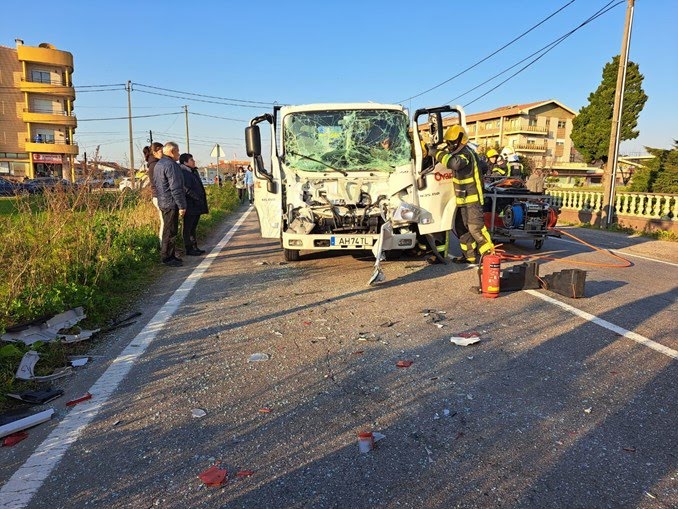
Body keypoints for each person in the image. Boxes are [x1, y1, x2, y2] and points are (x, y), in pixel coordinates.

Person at [428, 125, 494, 265]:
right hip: (463, 199)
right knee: (461, 228)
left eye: (451, 142)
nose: (450, 145)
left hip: (473, 200)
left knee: (475, 229)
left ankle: (490, 257)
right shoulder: (462, 153)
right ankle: (469, 256)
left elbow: (455, 164)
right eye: (448, 142)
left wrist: (436, 153)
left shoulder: (465, 153)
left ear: (460, 140)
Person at [152, 142, 187, 267]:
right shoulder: (171, 165)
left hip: (162, 200)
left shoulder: (159, 164)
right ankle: (167, 257)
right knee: (170, 231)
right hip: (171, 202)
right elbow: (175, 187)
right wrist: (182, 206)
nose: (178, 154)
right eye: (177, 151)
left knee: (169, 230)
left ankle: (170, 255)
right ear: (172, 152)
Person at [179, 153, 209, 256]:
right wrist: (196, 197)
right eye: (191, 160)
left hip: (196, 204)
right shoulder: (184, 173)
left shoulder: (193, 171)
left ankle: (194, 246)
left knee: (193, 227)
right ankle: (189, 248)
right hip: (190, 203)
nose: (194, 161)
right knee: (188, 228)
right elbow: (186, 189)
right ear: (185, 162)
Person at [145, 142, 165, 243]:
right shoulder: (155, 165)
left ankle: (166, 248)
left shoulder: (155, 163)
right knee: (165, 223)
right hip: (159, 196)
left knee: (165, 223)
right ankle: (164, 248)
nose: (163, 153)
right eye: (161, 151)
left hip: (159, 196)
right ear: (154, 152)